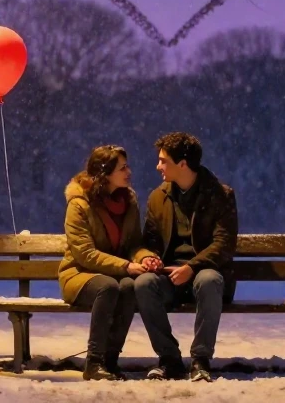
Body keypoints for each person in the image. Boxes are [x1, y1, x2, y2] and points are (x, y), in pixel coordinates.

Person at [132, 131, 238, 382]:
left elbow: (223, 244)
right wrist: (149, 258)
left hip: (207, 273)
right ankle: (169, 359)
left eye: (163, 161)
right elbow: (150, 242)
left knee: (209, 280)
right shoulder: (158, 197)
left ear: (182, 164)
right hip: (170, 277)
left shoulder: (219, 195)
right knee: (144, 284)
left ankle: (200, 359)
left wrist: (191, 267)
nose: (158, 166)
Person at [57, 145, 149, 381]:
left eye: (127, 166)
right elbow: (84, 254)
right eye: (122, 168)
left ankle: (110, 361)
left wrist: (143, 257)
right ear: (105, 174)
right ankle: (94, 362)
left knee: (129, 287)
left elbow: (133, 244)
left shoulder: (129, 202)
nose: (129, 172)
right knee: (108, 287)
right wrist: (125, 266)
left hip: (114, 275)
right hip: (79, 275)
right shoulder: (79, 204)